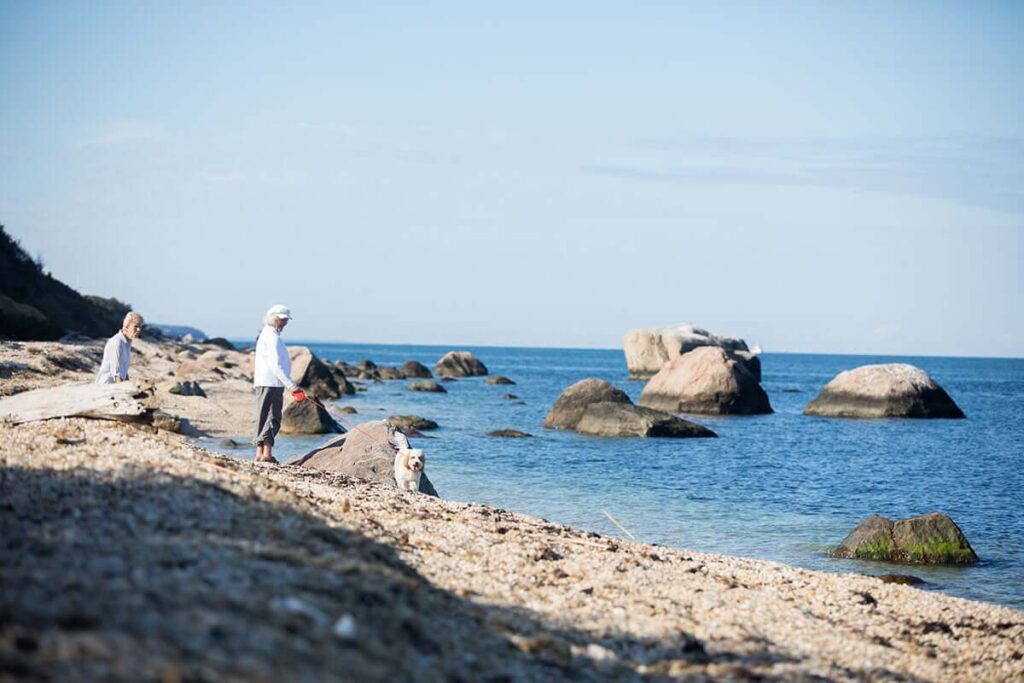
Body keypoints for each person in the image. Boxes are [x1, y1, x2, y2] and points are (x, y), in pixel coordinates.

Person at [253, 304, 306, 464]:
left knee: (264, 416)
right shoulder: (271, 337)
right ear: (274, 319)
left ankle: (260, 453)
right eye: (282, 320)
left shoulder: (268, 335)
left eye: (285, 320)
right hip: (271, 383)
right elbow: (276, 365)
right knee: (272, 417)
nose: (285, 323)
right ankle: (266, 454)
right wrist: (292, 386)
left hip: (268, 382)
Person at [96, 311, 145, 384]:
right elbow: (116, 373)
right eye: (135, 326)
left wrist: (129, 386)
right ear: (126, 326)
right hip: (107, 385)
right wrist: (124, 390)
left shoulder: (127, 342)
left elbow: (123, 371)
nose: (139, 330)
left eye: (140, 327)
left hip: (116, 384)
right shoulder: (117, 342)